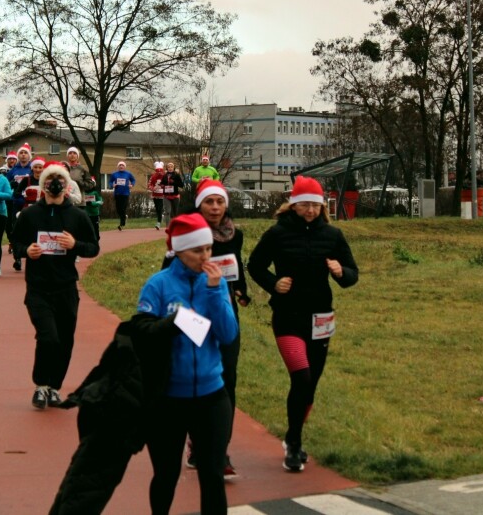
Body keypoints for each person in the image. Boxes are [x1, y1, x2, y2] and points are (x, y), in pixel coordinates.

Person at [247, 175, 359, 472]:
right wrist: (274, 284)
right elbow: (255, 265)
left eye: (314, 205)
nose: (309, 210)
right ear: (293, 205)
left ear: (322, 206)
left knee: (310, 387)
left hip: (321, 317)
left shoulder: (333, 235)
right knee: (302, 377)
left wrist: (339, 272)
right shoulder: (277, 233)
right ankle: (294, 445)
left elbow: (352, 275)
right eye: (303, 205)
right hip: (287, 316)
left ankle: (292, 436)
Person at [138, 213, 238, 515]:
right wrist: (176, 322)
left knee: (212, 475)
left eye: (208, 249)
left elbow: (228, 334)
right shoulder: (158, 285)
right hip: (168, 398)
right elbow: (141, 333)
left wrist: (213, 292)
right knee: (166, 476)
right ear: (178, 251)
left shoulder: (216, 283)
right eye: (197, 250)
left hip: (211, 396)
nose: (205, 256)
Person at [162, 179, 250, 478]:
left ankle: (217, 449)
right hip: (192, 315)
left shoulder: (234, 233)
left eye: (220, 202)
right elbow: (167, 273)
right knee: (200, 379)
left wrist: (240, 290)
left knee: (227, 379)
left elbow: (236, 265)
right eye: (209, 202)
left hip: (224, 310)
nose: (215, 207)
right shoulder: (184, 232)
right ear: (199, 204)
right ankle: (197, 443)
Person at [11, 162, 100, 410]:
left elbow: (93, 247)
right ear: (43, 185)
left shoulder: (78, 216)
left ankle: (53, 387)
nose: (55, 184)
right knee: (48, 337)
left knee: (64, 340)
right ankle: (40, 385)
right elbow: (15, 244)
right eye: (49, 180)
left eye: (59, 179)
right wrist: (26, 251)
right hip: (38, 288)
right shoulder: (30, 215)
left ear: (67, 184)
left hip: (66, 287)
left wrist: (75, 245)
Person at [7, 147, 33, 271]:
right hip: (17, 203)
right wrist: (12, 184)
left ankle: (31, 256)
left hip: (30, 205)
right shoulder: (13, 170)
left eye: (25, 153)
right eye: (21, 153)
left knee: (30, 231)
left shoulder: (33, 169)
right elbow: (6, 184)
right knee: (16, 229)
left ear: (29, 156)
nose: (23, 155)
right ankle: (17, 258)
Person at [108, 161, 137, 231]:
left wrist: (131, 185)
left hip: (125, 193)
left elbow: (133, 180)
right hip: (117, 193)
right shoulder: (114, 174)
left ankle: (122, 224)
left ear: (125, 167)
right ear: (118, 167)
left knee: (123, 208)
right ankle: (124, 217)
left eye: (122, 165)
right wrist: (113, 185)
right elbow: (110, 182)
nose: (121, 166)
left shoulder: (128, 174)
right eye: (120, 165)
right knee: (118, 209)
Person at [149, 161, 166, 230]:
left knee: (160, 207)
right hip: (155, 194)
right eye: (158, 171)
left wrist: (163, 186)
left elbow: (168, 184)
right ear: (156, 171)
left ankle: (158, 222)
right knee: (157, 208)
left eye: (160, 171)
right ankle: (160, 216)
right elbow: (149, 184)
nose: (159, 172)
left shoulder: (165, 176)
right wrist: (152, 188)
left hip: (162, 195)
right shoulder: (153, 176)